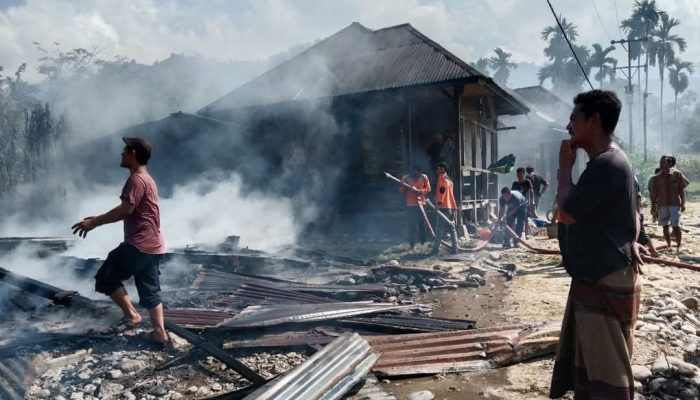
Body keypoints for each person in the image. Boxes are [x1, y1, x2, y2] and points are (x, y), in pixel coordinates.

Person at [550, 90, 646, 400]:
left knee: (607, 372)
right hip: (602, 276)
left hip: (604, 278)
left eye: (574, 118)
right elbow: (634, 211)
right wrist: (633, 239)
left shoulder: (606, 164)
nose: (568, 125)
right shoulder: (612, 162)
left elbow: (565, 212)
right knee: (594, 368)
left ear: (594, 120)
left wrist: (564, 166)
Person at [71, 137, 169, 346]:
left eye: (124, 151)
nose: (121, 154)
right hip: (154, 245)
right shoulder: (147, 179)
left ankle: (132, 316)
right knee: (150, 290)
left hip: (139, 244)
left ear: (133, 154)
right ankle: (160, 333)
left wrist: (94, 222)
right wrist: (95, 219)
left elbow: (126, 209)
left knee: (105, 278)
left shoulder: (136, 180)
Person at [649, 155, 690, 251]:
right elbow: (654, 194)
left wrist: (683, 203)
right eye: (660, 163)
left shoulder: (677, 174)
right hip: (662, 204)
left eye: (664, 163)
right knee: (665, 226)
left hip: (675, 204)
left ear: (670, 164)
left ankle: (679, 246)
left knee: (676, 226)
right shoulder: (656, 178)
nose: (661, 165)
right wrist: (653, 206)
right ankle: (669, 245)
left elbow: (681, 190)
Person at [399, 166, 431, 248]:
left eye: (418, 173)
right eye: (414, 172)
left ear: (420, 172)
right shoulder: (405, 178)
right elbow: (401, 190)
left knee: (422, 224)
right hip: (411, 205)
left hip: (421, 204)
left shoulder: (424, 177)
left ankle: (423, 242)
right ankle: (412, 244)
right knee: (411, 225)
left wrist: (420, 191)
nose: (416, 174)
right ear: (412, 171)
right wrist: (404, 186)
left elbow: (428, 189)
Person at [430, 162, 458, 255]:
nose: (437, 171)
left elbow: (442, 192)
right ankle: (455, 249)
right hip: (450, 207)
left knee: (439, 229)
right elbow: (451, 195)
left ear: (442, 169)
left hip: (443, 207)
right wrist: (454, 207)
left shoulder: (441, 178)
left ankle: (436, 250)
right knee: (452, 229)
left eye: (438, 169)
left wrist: (438, 204)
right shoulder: (449, 180)